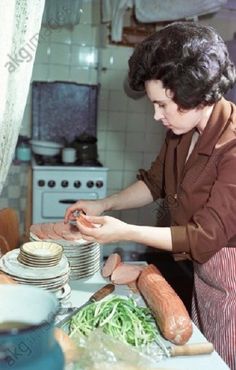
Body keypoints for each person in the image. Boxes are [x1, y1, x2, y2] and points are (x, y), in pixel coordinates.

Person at [64, 22, 236, 369]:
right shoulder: (182, 131)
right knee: (202, 355)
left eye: (162, 105)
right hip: (205, 275)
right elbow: (155, 183)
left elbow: (205, 236)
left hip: (231, 277)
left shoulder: (232, 146)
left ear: (196, 95)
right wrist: (105, 203)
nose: (157, 116)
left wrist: (123, 231)